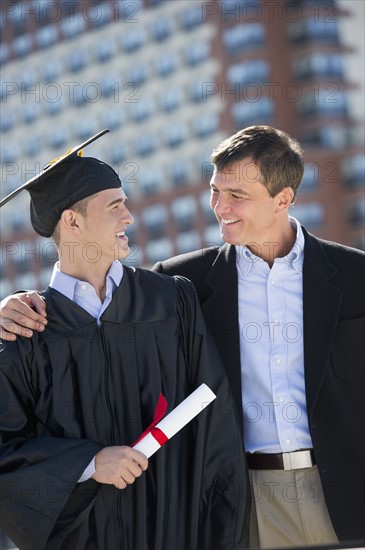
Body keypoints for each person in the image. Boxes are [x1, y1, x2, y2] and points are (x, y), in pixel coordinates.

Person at [1, 126, 364, 548]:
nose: (219, 207)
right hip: (247, 498)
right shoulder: (181, 285)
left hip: (342, 489)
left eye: (237, 196)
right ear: (71, 221)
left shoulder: (355, 277)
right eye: (215, 190)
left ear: (283, 198)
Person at [0, 131, 248, 550]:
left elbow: (216, 425)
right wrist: (88, 463)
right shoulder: (25, 331)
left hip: (177, 532)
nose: (129, 218)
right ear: (72, 222)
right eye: (115, 206)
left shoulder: (171, 301)